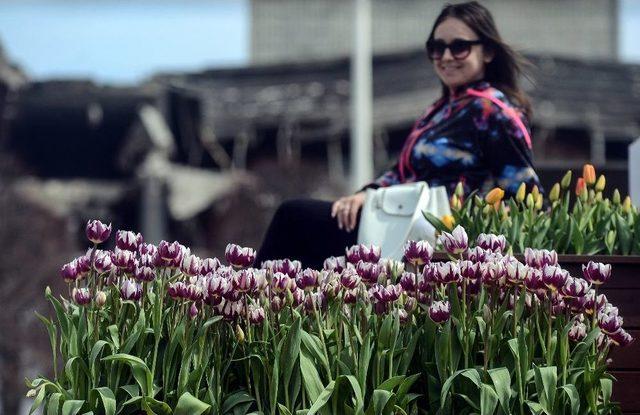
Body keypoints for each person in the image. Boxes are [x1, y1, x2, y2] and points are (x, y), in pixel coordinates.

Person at [255, 1, 542, 269]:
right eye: (436, 47)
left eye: (459, 47)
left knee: (293, 217)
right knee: (305, 232)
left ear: (489, 52)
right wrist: (368, 194)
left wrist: (479, 242)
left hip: (438, 234)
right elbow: (403, 173)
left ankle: (244, 309)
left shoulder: (493, 111)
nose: (445, 57)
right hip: (400, 220)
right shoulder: (441, 109)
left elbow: (527, 197)